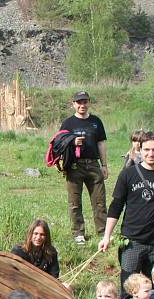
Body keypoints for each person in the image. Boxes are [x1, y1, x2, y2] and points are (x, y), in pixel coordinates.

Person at [98, 131, 154, 299]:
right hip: (132, 240)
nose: (151, 154)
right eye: (147, 149)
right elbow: (116, 207)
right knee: (129, 287)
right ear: (140, 150)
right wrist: (106, 236)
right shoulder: (128, 175)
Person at [60, 91, 108, 244]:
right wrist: (72, 142)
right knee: (75, 202)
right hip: (75, 166)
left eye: (85, 101)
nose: (82, 105)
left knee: (100, 201)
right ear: (73, 104)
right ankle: (78, 233)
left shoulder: (96, 121)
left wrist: (104, 165)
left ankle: (103, 232)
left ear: (89, 102)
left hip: (93, 165)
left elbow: (101, 143)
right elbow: (59, 143)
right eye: (79, 102)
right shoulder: (68, 123)